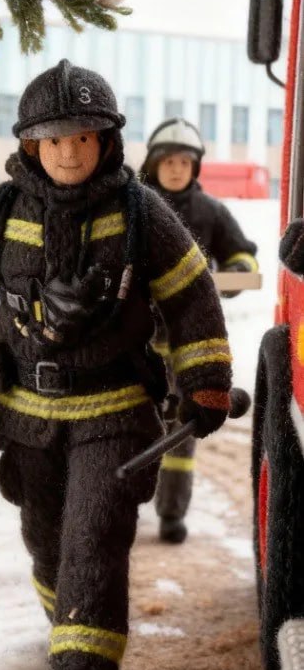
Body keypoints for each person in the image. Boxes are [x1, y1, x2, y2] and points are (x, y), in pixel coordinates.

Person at [0, 61, 234, 670]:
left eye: (83, 137)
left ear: (107, 142)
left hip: (115, 416)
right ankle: (71, 631)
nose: (69, 151)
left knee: (94, 538)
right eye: (53, 139)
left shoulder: (141, 213)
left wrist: (203, 380)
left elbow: (190, 296)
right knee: (45, 541)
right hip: (27, 421)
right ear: (30, 145)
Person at [140, 118, 259, 544]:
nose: (175, 168)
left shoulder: (210, 212)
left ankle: (171, 513)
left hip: (189, 347)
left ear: (196, 167)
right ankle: (115, 507)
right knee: (123, 425)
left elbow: (241, 254)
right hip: (131, 346)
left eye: (184, 161)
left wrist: (237, 272)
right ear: (153, 164)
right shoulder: (129, 208)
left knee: (181, 432)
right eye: (168, 160)